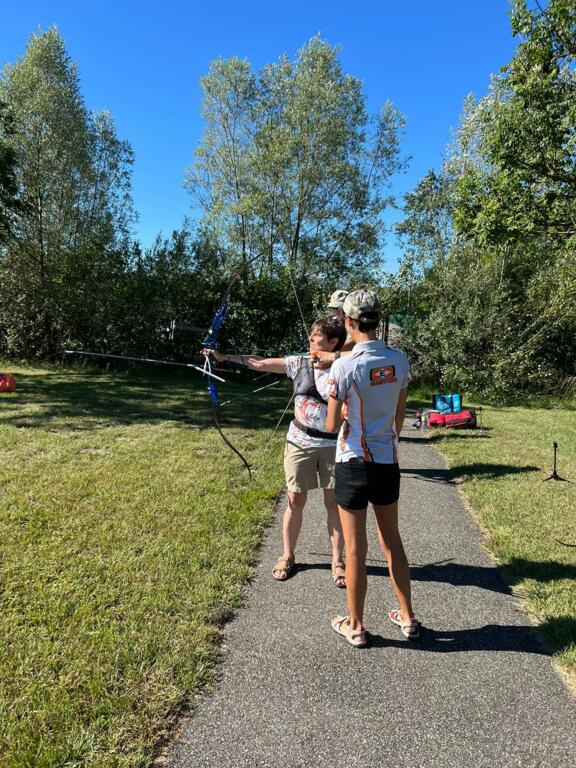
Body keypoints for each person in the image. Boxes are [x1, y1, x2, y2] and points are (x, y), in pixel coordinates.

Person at [204, 316, 348, 586]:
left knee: (334, 504)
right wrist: (222, 357)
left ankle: (338, 561)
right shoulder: (299, 363)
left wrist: (336, 358)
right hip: (300, 442)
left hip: (333, 445)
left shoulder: (347, 365)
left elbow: (369, 356)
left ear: (333, 342)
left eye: (316, 336)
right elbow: (258, 362)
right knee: (295, 500)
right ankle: (287, 554)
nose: (310, 340)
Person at [325, 289, 419, 647]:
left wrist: (346, 411)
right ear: (377, 320)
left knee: (355, 549)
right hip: (386, 461)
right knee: (392, 540)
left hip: (352, 463)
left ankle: (356, 626)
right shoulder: (399, 360)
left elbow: (332, 425)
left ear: (349, 321)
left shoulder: (344, 366)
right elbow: (399, 419)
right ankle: (407, 618)